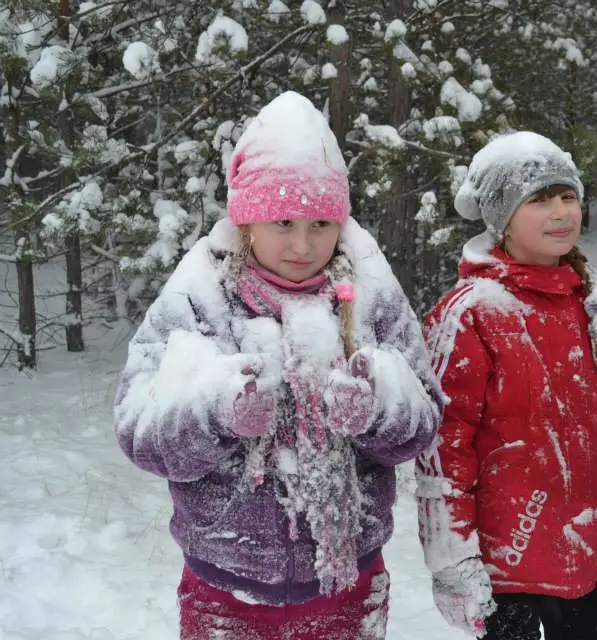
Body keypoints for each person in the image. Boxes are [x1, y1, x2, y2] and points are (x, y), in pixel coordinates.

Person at [114, 91, 442, 640]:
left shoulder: (370, 290)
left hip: (348, 588)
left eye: (321, 223)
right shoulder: (200, 297)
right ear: (246, 219)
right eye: (283, 221)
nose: (302, 244)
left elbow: (425, 413)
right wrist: (214, 410)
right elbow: (137, 429)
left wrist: (378, 407)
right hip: (225, 587)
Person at [416, 131, 597, 639]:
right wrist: (452, 560)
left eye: (567, 196)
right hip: (503, 560)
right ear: (501, 220)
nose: (560, 212)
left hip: (585, 547)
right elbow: (444, 449)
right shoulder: (472, 314)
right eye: (538, 200)